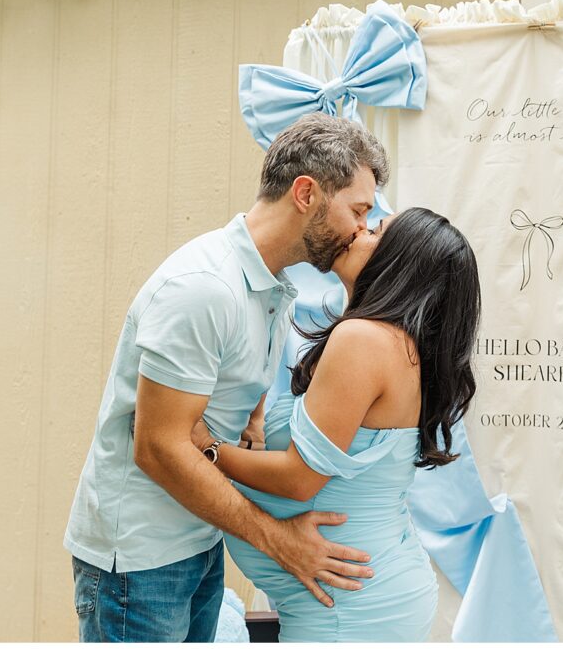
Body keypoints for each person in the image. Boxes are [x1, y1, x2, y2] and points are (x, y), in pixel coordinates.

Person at [64, 112, 388, 642]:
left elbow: (233, 388)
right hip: (140, 563)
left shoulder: (274, 289)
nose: (360, 229)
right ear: (306, 193)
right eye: (358, 210)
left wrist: (251, 422)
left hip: (199, 540)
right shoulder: (204, 287)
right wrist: (280, 541)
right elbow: (158, 448)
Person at [190, 206, 482, 641]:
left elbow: (299, 479)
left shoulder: (366, 339)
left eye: (375, 231)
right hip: (363, 593)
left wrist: (207, 448)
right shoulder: (397, 346)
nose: (358, 231)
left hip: (350, 609)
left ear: (400, 263)